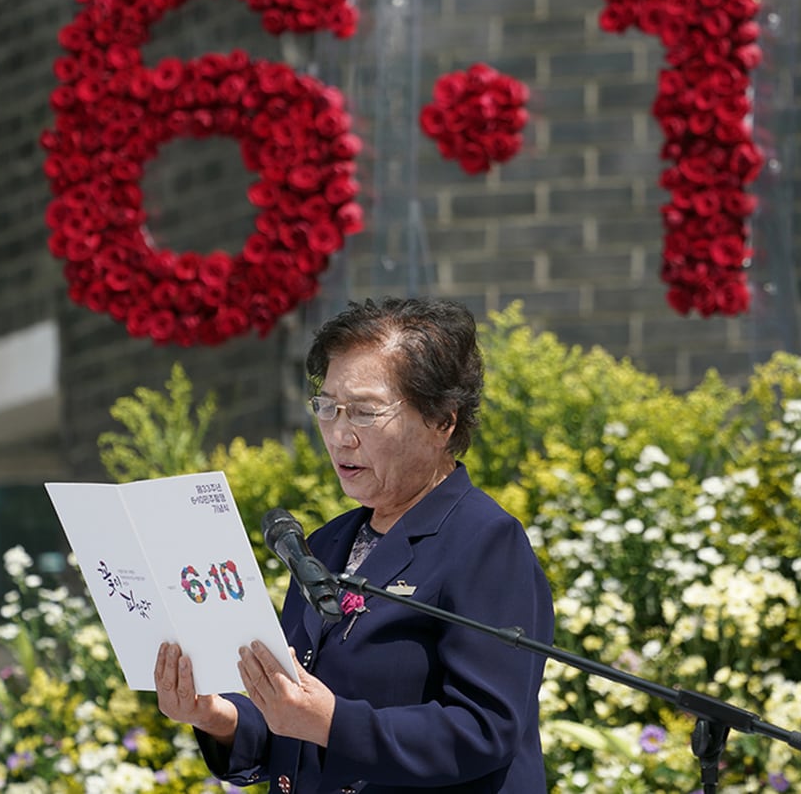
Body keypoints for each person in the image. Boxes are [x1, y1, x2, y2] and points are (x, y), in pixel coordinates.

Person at [154, 296, 554, 793]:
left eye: (365, 412)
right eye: (328, 407)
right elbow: (292, 731)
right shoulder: (325, 544)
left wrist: (333, 723)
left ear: (442, 421)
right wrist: (215, 715)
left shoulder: (485, 541)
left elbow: (484, 731)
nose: (340, 435)